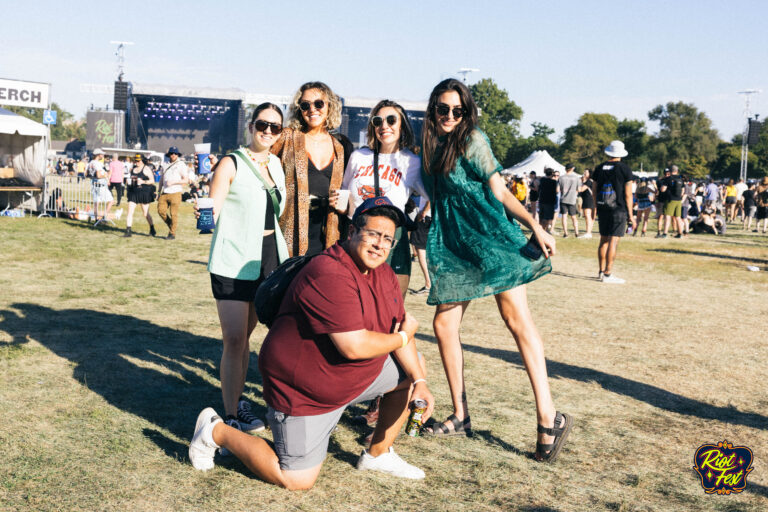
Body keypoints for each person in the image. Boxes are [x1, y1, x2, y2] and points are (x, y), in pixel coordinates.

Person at [189, 197, 434, 487]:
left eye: (387, 239)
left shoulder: (385, 273)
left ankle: (378, 454)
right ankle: (215, 431)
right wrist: (403, 336)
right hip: (305, 390)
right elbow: (354, 346)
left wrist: (419, 381)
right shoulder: (329, 272)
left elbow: (399, 327)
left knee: (414, 367)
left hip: (347, 377)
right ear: (352, 231)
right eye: (372, 234)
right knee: (296, 479)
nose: (380, 244)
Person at [418, 79, 570, 462]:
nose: (450, 116)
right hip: (455, 243)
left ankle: (548, 417)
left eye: (458, 110)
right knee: (443, 325)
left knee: (516, 320)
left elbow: (500, 192)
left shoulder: (473, 140)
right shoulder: (429, 144)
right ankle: (461, 415)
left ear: (466, 113)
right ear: (432, 110)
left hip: (490, 237)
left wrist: (535, 226)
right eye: (442, 109)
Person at [204, 103, 290, 440]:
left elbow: (278, 211)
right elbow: (212, 212)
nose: (268, 131)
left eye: (275, 127)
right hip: (234, 259)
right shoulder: (231, 162)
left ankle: (238, 401)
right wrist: (204, 212)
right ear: (251, 125)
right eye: (262, 124)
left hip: (269, 258)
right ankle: (230, 413)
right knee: (235, 338)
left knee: (248, 338)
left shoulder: (277, 165)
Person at [340, 99, 428, 296]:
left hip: (390, 240)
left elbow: (435, 194)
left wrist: (424, 211)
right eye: (377, 121)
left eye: (391, 120)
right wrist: (342, 207)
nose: (384, 126)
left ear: (402, 125)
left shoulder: (412, 162)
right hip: (356, 237)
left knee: (390, 305)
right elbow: (345, 190)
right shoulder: (358, 156)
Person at [270, 81, 353, 257]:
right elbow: (259, 160)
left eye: (319, 103)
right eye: (305, 105)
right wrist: (224, 164)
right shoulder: (287, 138)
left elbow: (353, 185)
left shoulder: (341, 145)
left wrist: (346, 206)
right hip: (291, 230)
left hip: (329, 230)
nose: (312, 109)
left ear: (329, 106)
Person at [592, 140, 635, 284]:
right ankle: (608, 273)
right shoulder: (625, 169)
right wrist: (631, 214)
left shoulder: (599, 168)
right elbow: (628, 194)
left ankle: (600, 271)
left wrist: (595, 207)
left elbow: (595, 190)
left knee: (603, 240)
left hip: (602, 207)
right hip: (618, 208)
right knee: (613, 241)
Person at [157, 146, 189, 240]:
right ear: (169, 155)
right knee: (160, 211)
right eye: (172, 153)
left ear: (178, 155)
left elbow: (186, 180)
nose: (173, 155)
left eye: (175, 153)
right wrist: (158, 191)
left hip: (176, 192)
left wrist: (174, 182)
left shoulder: (181, 164)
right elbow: (161, 179)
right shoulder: (165, 164)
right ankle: (172, 225)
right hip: (165, 192)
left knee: (173, 213)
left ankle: (172, 233)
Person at [123, 155, 156, 237]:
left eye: (138, 161)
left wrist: (143, 181)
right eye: (135, 160)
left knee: (145, 213)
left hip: (144, 193)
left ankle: (152, 229)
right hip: (133, 192)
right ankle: (128, 231)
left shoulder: (146, 168)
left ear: (142, 161)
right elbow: (130, 178)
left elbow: (152, 181)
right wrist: (129, 182)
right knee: (130, 212)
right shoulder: (133, 169)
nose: (137, 162)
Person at [659, 164, 684, 238]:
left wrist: (661, 188)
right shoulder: (681, 179)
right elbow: (683, 190)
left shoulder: (669, 178)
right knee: (678, 217)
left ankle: (664, 234)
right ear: (677, 171)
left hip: (670, 200)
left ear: (670, 171)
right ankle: (680, 234)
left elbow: (663, 189)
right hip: (679, 200)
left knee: (667, 216)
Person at [89, 149, 114, 223]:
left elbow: (87, 174)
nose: (103, 155)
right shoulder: (97, 163)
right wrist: (107, 175)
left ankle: (96, 219)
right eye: (102, 154)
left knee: (96, 203)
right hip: (101, 185)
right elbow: (99, 175)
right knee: (111, 201)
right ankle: (104, 217)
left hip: (94, 185)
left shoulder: (90, 163)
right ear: (98, 155)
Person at [558, 164, 581, 238]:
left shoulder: (561, 178)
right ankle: (577, 233)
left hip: (563, 199)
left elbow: (557, 190)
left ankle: (565, 233)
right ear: (572, 169)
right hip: (572, 199)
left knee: (564, 216)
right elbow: (579, 189)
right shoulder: (576, 178)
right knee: (573, 217)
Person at [537, 168, 558, 233]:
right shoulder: (554, 182)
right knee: (548, 218)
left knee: (541, 217)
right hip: (550, 201)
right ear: (552, 174)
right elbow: (557, 191)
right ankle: (545, 230)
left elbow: (539, 188)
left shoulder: (542, 180)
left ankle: (540, 230)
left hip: (542, 200)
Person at [577, 169, 595, 238]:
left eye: (586, 172)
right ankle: (588, 232)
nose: (584, 173)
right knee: (588, 217)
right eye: (584, 171)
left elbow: (581, 189)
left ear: (589, 174)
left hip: (588, 199)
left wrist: (578, 183)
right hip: (589, 199)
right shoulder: (590, 181)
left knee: (587, 216)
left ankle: (588, 233)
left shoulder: (589, 181)